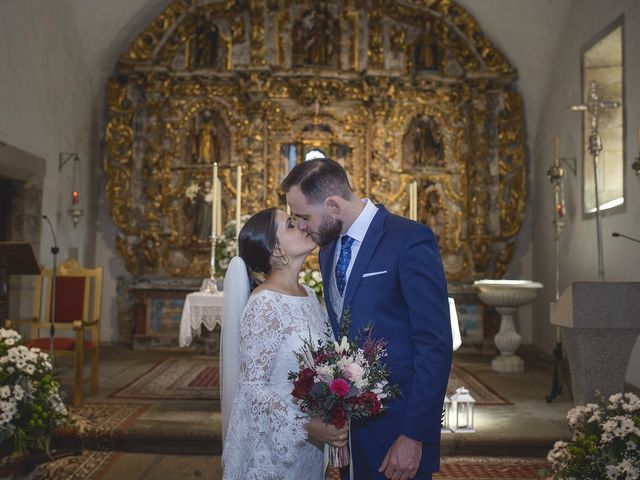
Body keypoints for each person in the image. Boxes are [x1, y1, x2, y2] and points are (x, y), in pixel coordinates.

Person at [283, 158, 452, 480]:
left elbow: (435, 344)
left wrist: (415, 435)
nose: (301, 226)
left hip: (399, 426)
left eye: (304, 216)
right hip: (350, 426)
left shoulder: (409, 239)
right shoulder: (328, 249)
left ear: (332, 205)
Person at [220, 207, 348, 479]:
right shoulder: (264, 304)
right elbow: (252, 388)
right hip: (275, 451)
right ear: (276, 250)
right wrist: (305, 424)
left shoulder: (310, 295)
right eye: (291, 224)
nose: (303, 225)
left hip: (309, 449)